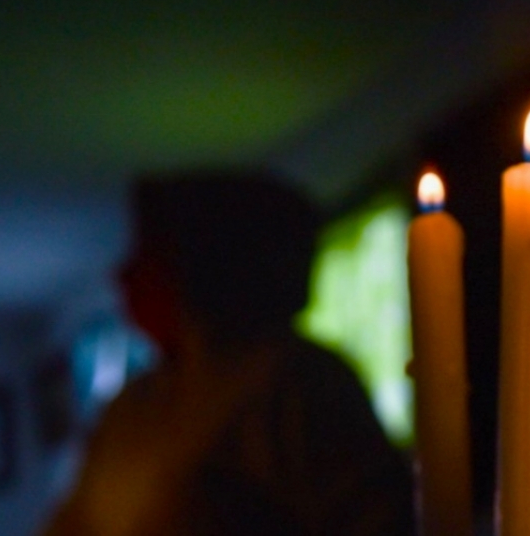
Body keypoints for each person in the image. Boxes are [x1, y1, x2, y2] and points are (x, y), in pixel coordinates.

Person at [42, 171, 414, 536]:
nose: (122, 275)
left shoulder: (298, 384)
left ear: (202, 262)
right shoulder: (133, 406)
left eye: (149, 254)